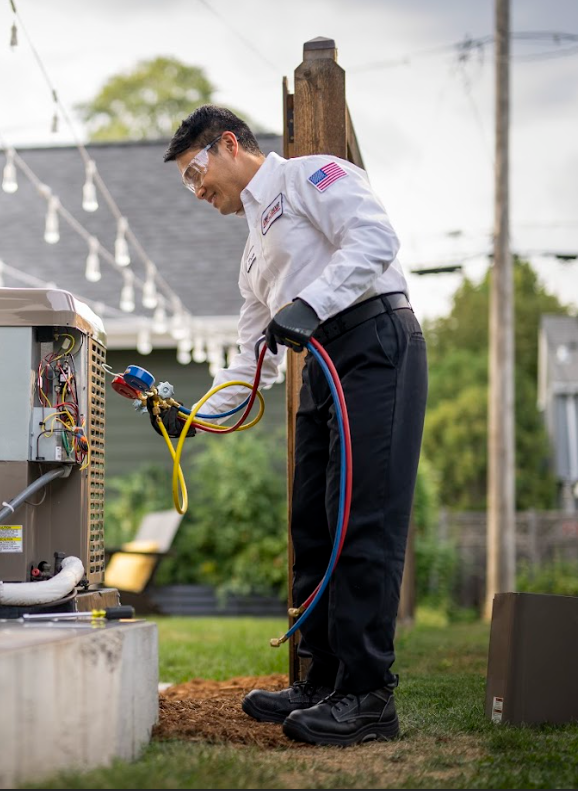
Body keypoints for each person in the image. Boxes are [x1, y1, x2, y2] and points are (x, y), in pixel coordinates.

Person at [161, 105, 428, 747]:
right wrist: (195, 416)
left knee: (360, 518)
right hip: (320, 365)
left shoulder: (315, 176)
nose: (198, 192)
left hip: (374, 344)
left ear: (229, 144)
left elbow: (374, 241)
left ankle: (367, 698)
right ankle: (322, 679)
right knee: (312, 521)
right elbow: (254, 362)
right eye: (188, 185)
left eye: (197, 173)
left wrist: (310, 303)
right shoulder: (255, 254)